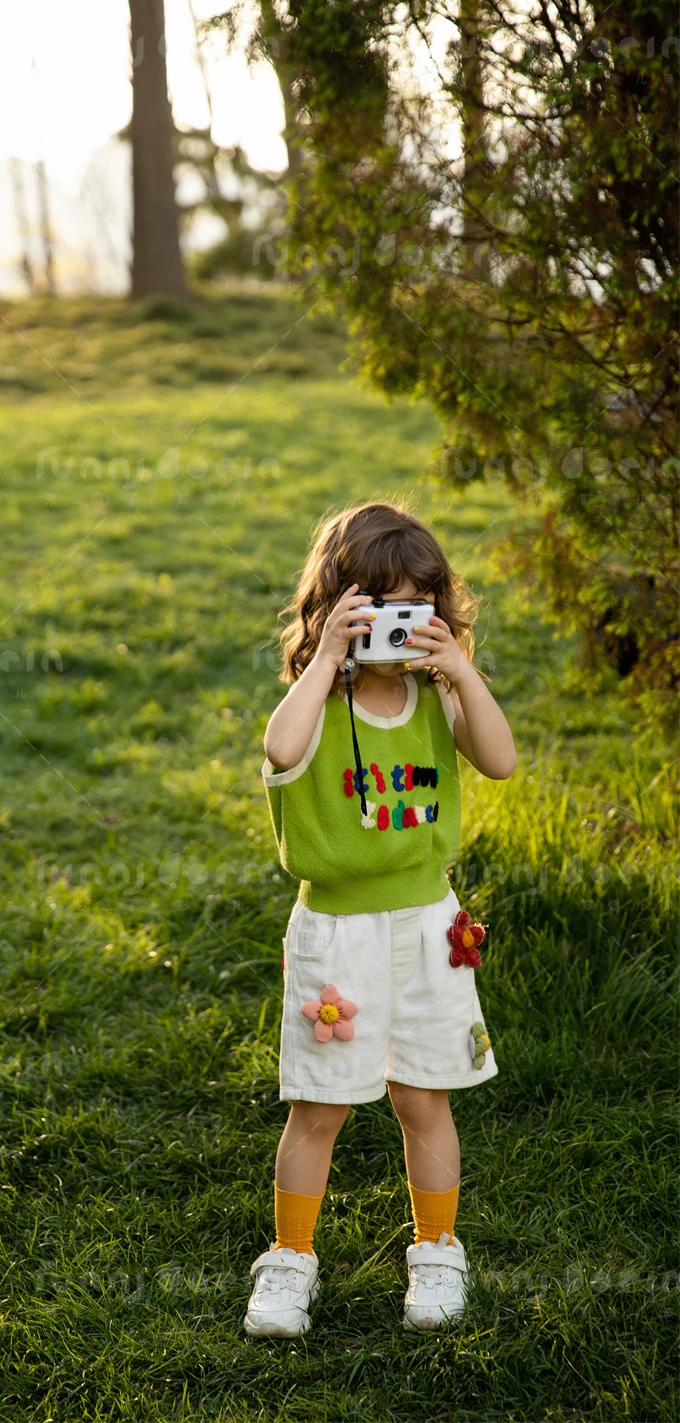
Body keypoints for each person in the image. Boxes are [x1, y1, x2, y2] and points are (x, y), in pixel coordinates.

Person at [243, 500, 516, 1338]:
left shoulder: (437, 699)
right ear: (336, 609)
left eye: (417, 607)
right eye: (380, 608)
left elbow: (501, 760)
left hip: (431, 927)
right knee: (318, 1106)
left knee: (425, 1097)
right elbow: (280, 749)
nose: (400, 626)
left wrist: (459, 670)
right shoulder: (315, 706)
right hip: (338, 936)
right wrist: (328, 658)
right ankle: (290, 1256)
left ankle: (437, 1246)